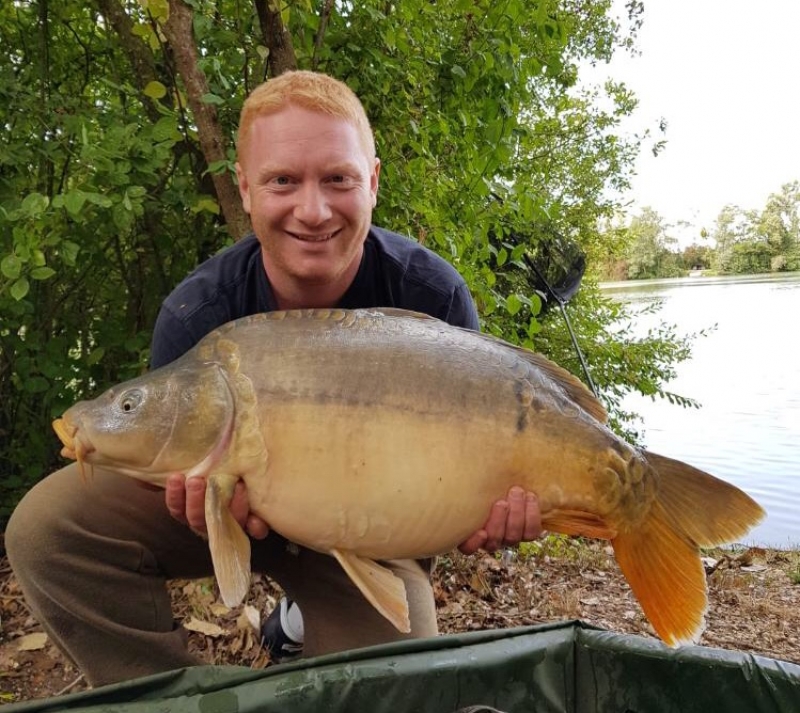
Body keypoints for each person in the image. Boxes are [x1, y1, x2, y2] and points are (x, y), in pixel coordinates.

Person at [5, 70, 542, 687]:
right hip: (236, 509)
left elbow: (444, 502)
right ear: (246, 188)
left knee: (393, 685)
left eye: (337, 178)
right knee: (47, 531)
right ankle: (173, 700)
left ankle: (299, 616)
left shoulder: (430, 295)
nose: (311, 211)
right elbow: (188, 485)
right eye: (283, 180)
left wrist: (491, 514)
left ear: (371, 182)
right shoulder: (197, 313)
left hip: (368, 531)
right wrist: (199, 504)